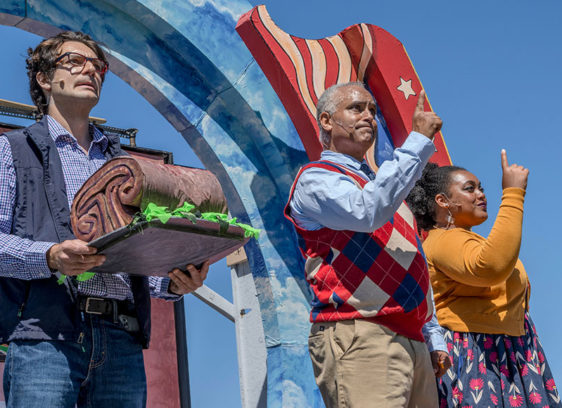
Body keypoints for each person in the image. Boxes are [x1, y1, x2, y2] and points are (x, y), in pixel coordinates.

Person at [0, 31, 208, 408]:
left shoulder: (125, 167)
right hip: (44, 337)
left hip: (120, 338)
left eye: (98, 66)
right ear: (44, 79)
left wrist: (176, 282)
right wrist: (50, 257)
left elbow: (139, 258)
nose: (90, 71)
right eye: (74, 62)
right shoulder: (10, 150)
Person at [284, 81, 450, 407]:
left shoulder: (385, 189)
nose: (369, 117)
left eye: (373, 110)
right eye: (356, 108)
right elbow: (366, 212)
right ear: (327, 121)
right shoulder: (316, 178)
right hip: (361, 335)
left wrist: (432, 336)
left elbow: (412, 260)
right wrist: (417, 142)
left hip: (411, 341)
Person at [406, 152, 561, 407]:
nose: (481, 194)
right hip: (477, 354)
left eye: (481, 188)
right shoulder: (444, 239)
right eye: (470, 189)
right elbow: (491, 266)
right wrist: (512, 195)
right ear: (442, 201)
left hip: (505, 352)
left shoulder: (465, 239)